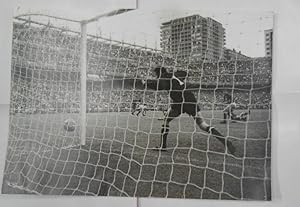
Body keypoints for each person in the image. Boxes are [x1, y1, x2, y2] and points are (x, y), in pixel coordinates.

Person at [141, 67, 235, 154]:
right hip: (190, 99)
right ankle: (226, 141)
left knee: (166, 121)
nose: (156, 77)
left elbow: (159, 86)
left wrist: (146, 84)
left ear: (159, 73)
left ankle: (163, 146)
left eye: (156, 75)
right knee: (202, 125)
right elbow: (185, 73)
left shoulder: (164, 77)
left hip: (179, 102)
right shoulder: (175, 75)